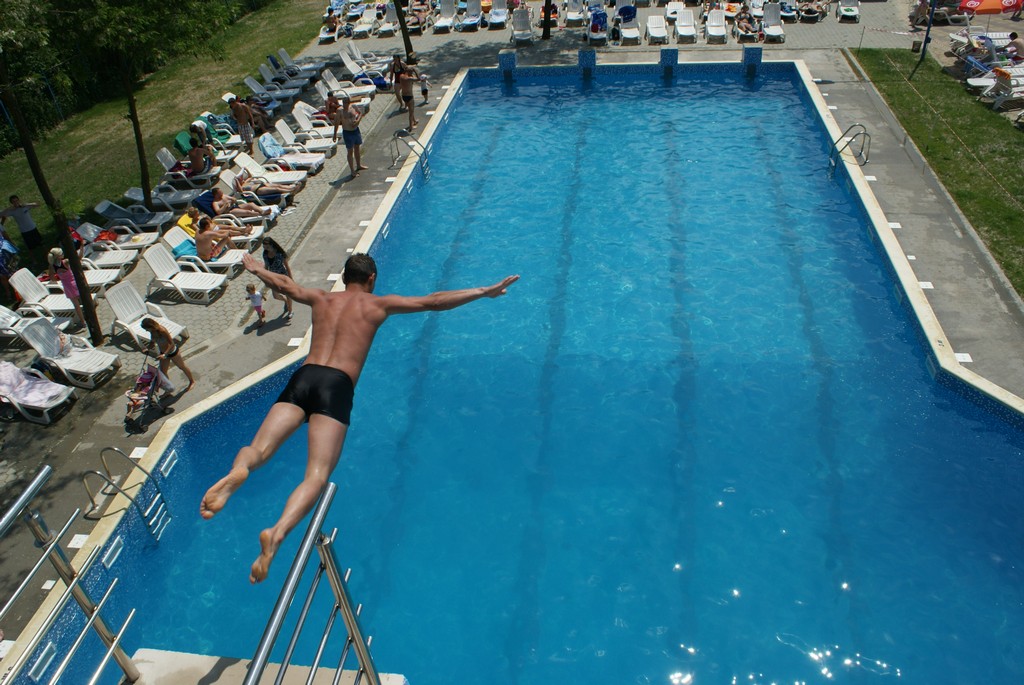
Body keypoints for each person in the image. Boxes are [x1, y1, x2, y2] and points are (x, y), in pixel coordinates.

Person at [200, 252, 519, 583]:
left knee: (259, 450)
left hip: (305, 376)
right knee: (317, 475)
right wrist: (484, 291)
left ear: (342, 278)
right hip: (336, 385)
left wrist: (258, 270)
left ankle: (240, 470)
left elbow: (285, 284)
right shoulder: (377, 306)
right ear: (372, 279)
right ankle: (278, 532)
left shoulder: (321, 298)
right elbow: (434, 301)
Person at [141, 318, 196, 392]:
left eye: (147, 329)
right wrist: (148, 349)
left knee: (182, 367)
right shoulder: (152, 332)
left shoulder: (162, 330)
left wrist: (164, 354)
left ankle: (192, 381)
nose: (146, 330)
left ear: (151, 326)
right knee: (163, 372)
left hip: (172, 352)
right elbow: (152, 342)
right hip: (163, 354)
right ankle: (169, 390)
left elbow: (171, 344)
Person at [46, 248, 84, 326]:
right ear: (59, 256)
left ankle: (83, 322)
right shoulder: (65, 262)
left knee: (76, 305)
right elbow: (79, 258)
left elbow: (53, 279)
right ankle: (89, 315)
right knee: (84, 300)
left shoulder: (52, 266)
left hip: (67, 286)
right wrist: (82, 247)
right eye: (62, 253)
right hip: (75, 282)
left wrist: (60, 276)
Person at [335, 96, 368, 177]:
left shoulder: (353, 107)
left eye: (346, 103)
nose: (345, 105)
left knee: (357, 148)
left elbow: (360, 113)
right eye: (343, 103)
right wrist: (334, 134)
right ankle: (352, 170)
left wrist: (358, 121)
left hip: (356, 131)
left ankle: (359, 165)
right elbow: (336, 122)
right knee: (350, 151)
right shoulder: (340, 111)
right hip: (347, 132)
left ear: (349, 103)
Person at [261, 237, 293, 319]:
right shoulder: (265, 254)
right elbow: (266, 266)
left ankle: (290, 311)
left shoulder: (279, 254)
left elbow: (287, 266)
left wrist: (291, 278)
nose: (266, 249)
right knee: (275, 296)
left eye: (267, 247)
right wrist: (265, 278)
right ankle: (286, 301)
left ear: (272, 245)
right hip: (273, 278)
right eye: (264, 247)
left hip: (283, 276)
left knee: (288, 293)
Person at [214, 185, 285, 219]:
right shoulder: (215, 203)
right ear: (216, 195)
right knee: (248, 212)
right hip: (229, 212)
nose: (222, 193)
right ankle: (260, 214)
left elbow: (234, 199)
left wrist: (232, 200)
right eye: (220, 193)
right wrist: (225, 206)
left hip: (234, 206)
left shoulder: (224, 196)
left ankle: (262, 211)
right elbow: (218, 212)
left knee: (251, 204)